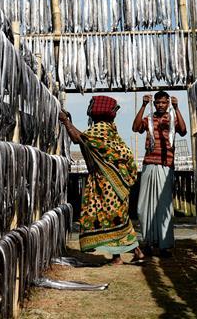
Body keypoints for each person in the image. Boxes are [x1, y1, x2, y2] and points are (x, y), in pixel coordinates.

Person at [59, 95, 145, 265]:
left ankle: (127, 254)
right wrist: (69, 122)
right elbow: (84, 138)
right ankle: (125, 255)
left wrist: (66, 122)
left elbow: (78, 139)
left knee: (114, 217)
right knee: (117, 217)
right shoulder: (108, 128)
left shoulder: (99, 130)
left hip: (108, 183)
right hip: (114, 181)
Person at [132, 90, 187, 257]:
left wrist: (177, 109)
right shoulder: (149, 118)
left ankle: (164, 245)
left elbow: (183, 131)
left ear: (168, 103)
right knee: (144, 207)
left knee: (163, 207)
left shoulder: (172, 119)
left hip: (166, 165)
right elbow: (135, 128)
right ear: (154, 103)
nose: (161, 105)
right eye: (158, 103)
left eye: (164, 102)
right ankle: (148, 242)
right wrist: (143, 105)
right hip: (149, 164)